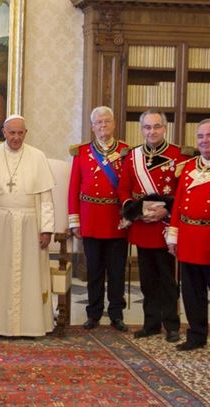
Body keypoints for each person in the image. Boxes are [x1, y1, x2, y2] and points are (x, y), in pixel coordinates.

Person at [0, 115, 56, 337]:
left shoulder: (38, 157)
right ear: (4, 132)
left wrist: (46, 228)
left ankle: (31, 325)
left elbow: (46, 199)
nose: (16, 137)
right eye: (12, 133)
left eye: (20, 133)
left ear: (26, 133)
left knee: (30, 274)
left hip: (30, 223)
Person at [118, 109, 192, 343]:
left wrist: (166, 210)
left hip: (165, 227)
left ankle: (171, 324)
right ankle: (150, 323)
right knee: (148, 280)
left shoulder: (179, 156)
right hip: (142, 226)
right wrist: (137, 211)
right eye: (147, 127)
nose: (152, 131)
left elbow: (183, 192)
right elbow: (123, 189)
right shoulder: (133, 156)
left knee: (168, 280)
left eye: (156, 126)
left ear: (165, 128)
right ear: (141, 129)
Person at [166, 119, 210, 356]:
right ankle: (196, 335)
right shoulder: (189, 168)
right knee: (192, 293)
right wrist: (173, 235)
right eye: (201, 136)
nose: (205, 141)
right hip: (189, 238)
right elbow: (178, 206)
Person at [67, 106, 129, 331]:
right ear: (92, 127)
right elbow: (74, 188)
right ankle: (93, 313)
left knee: (116, 271)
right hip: (91, 219)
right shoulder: (82, 152)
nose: (103, 126)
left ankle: (116, 313)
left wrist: (130, 215)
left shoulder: (125, 151)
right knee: (93, 271)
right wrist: (75, 221)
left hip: (116, 220)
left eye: (107, 121)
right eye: (98, 123)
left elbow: (129, 186)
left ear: (113, 124)